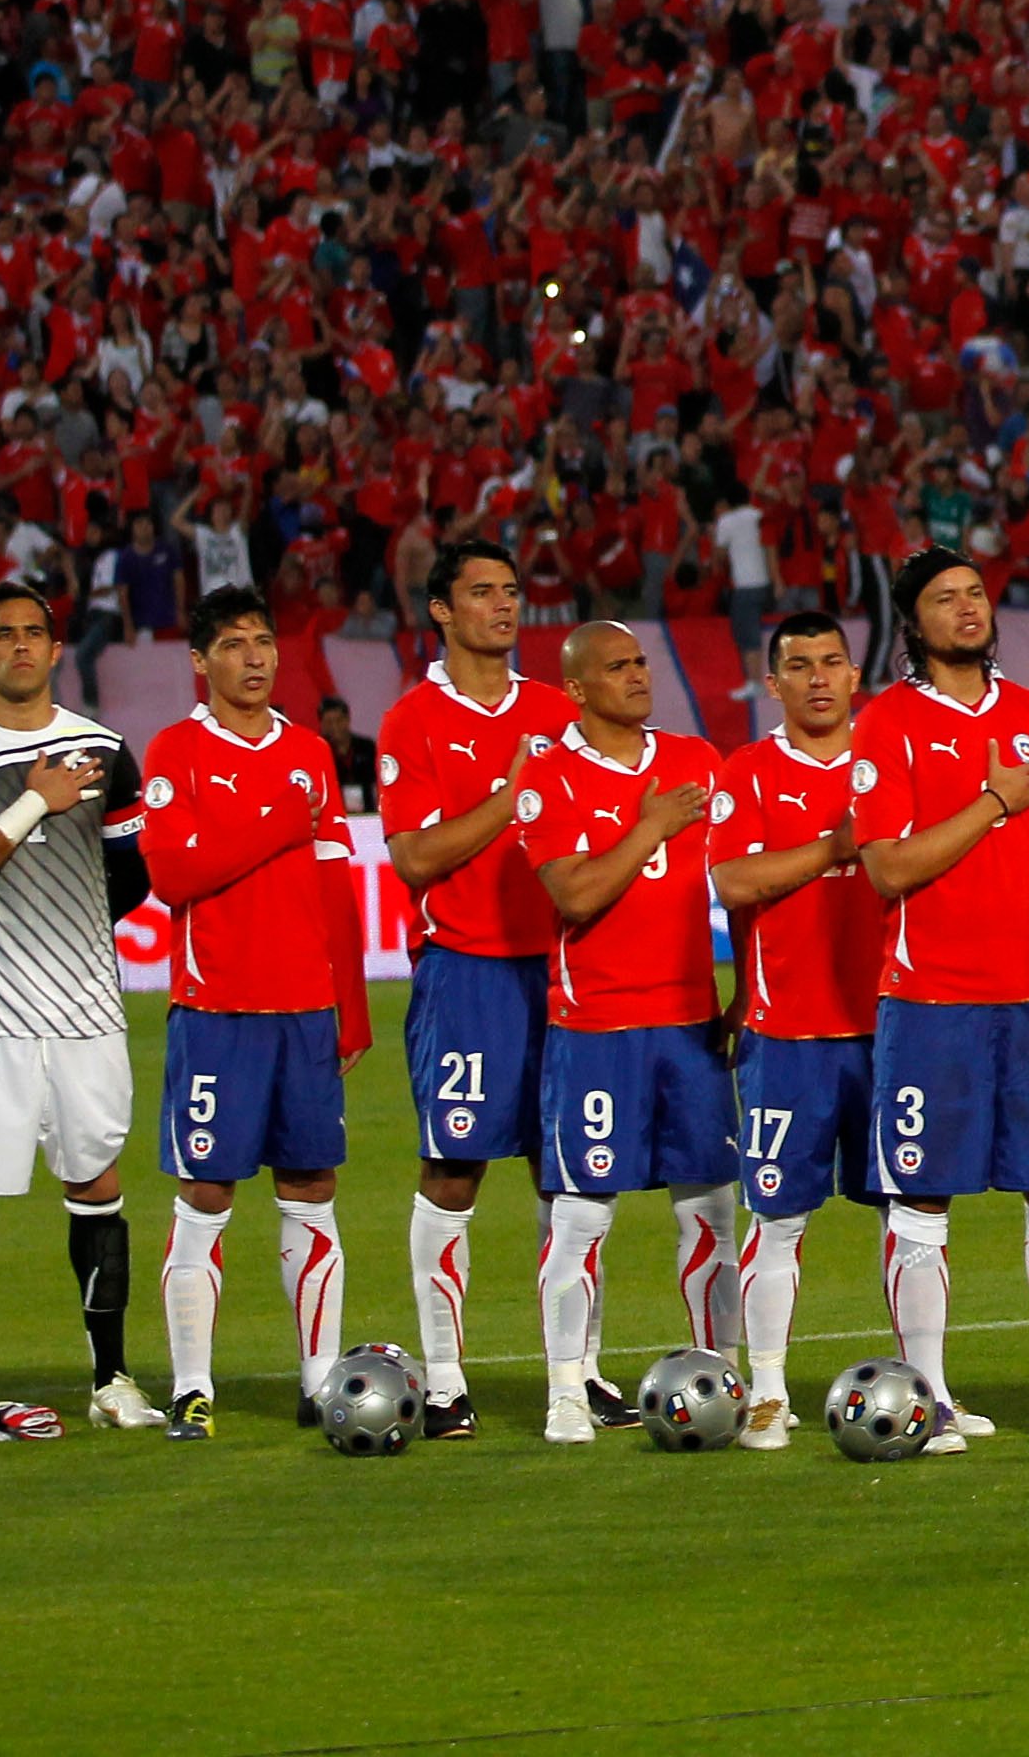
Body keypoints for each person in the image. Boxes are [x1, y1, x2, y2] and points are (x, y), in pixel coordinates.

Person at [857, 546, 1029, 1455]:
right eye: (945, 599)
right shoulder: (888, 724)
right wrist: (993, 804)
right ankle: (931, 1399)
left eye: (977, 594)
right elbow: (887, 867)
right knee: (922, 1197)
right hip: (933, 1002)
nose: (968, 609)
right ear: (913, 625)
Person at [0, 577, 153, 1432]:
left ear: (55, 650)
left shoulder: (107, 750)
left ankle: (113, 1380)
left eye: (33, 633)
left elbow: (130, 876)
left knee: (96, 1180)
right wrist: (33, 801)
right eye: (2, 634)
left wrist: (68, 935)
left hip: (85, 1013)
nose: (18, 645)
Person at [140, 585, 361, 1435]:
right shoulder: (175, 752)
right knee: (206, 1190)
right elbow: (174, 876)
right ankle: (193, 1382)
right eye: (234, 644)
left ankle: (319, 1381)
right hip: (219, 1008)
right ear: (201, 663)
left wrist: (352, 1002)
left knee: (312, 1187)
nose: (256, 657)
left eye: (263, 641)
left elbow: (336, 873)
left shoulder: (309, 751)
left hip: (305, 1007)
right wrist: (277, 820)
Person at [516, 619, 738, 1444]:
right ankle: (567, 1389)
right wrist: (649, 826)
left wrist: (748, 986)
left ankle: (722, 1375)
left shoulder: (695, 761)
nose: (639, 676)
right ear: (576, 688)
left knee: (712, 1209)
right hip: (597, 1026)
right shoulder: (548, 777)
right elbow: (573, 896)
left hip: (687, 1024)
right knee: (580, 1214)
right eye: (618, 667)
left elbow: (736, 876)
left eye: (641, 661)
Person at [380, 535, 567, 1437]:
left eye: (513, 589)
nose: (504, 605)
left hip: (566, 969)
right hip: (467, 973)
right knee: (455, 1172)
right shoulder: (413, 720)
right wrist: (513, 795)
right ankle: (447, 1382)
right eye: (482, 592)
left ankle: (574, 1376)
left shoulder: (560, 707)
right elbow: (414, 856)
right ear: (444, 611)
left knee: (567, 1176)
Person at [707, 610, 887, 1449]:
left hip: (898, 1026)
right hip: (789, 1033)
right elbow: (736, 881)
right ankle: (769, 1390)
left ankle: (928, 1382)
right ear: (771, 683)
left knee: (914, 1214)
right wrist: (833, 848)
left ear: (856, 676)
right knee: (777, 1215)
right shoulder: (745, 772)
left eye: (832, 662)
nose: (818, 677)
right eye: (799, 665)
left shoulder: (894, 760)